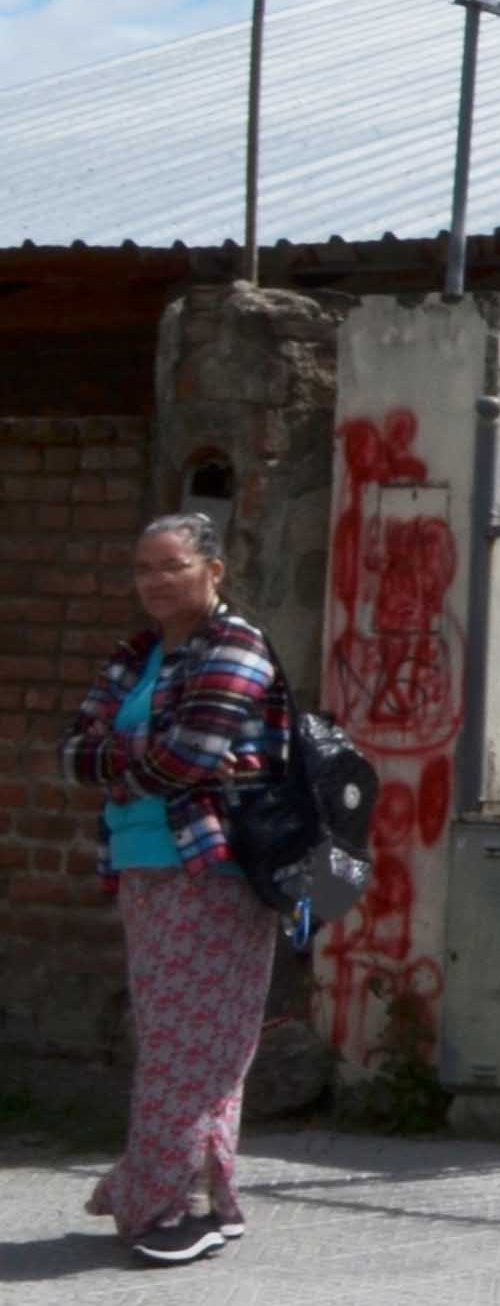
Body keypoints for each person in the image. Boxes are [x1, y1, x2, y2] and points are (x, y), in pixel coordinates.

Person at [58, 514, 287, 1266]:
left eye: (172, 565)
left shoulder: (236, 645)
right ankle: (210, 1202)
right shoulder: (136, 656)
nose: (154, 581)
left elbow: (188, 756)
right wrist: (141, 760)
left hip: (210, 868)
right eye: (143, 569)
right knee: (188, 1045)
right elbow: (72, 752)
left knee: (187, 1050)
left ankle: (158, 1209)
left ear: (214, 570)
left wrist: (124, 761)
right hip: (140, 864)